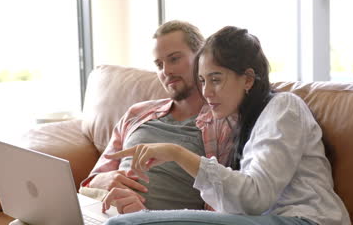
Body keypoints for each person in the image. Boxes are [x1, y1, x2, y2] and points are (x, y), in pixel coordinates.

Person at [103, 26, 351, 225]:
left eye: (216, 79)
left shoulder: (284, 107)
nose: (207, 92)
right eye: (202, 80)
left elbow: (254, 198)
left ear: (248, 79)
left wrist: (176, 153)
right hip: (265, 220)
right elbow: (235, 206)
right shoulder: (241, 123)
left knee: (127, 223)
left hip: (306, 219)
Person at [80, 20, 237, 213]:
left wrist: (143, 217)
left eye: (174, 59)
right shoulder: (137, 113)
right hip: (103, 214)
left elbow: (225, 205)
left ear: (202, 57)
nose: (166, 71)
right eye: (159, 64)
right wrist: (103, 179)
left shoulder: (223, 123)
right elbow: (90, 183)